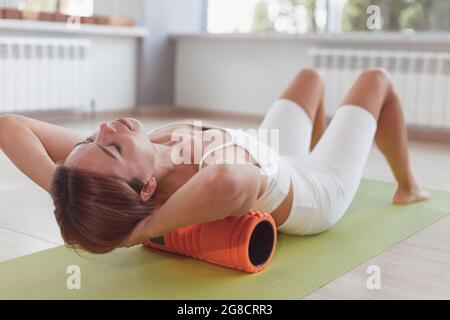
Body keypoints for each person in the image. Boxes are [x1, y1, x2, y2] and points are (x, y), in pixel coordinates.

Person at [0, 68, 429, 254]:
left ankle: (318, 145)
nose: (107, 129)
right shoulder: (208, 176)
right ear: (147, 189)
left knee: (311, 79)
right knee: (376, 81)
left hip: (272, 149)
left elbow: (9, 126)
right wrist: (141, 232)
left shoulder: (122, 167)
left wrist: (65, 186)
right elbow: (229, 180)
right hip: (316, 188)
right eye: (110, 147)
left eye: (92, 138)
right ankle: (408, 186)